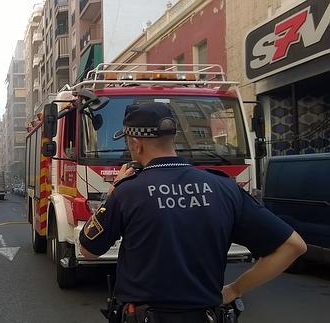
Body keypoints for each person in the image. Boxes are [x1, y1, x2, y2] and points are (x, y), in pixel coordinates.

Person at [78, 102, 306, 323]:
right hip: (207, 314)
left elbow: (88, 250)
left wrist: (113, 191)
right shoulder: (224, 188)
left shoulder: (127, 192)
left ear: (137, 144)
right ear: (172, 138)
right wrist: (236, 289)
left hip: (143, 316)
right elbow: (293, 246)